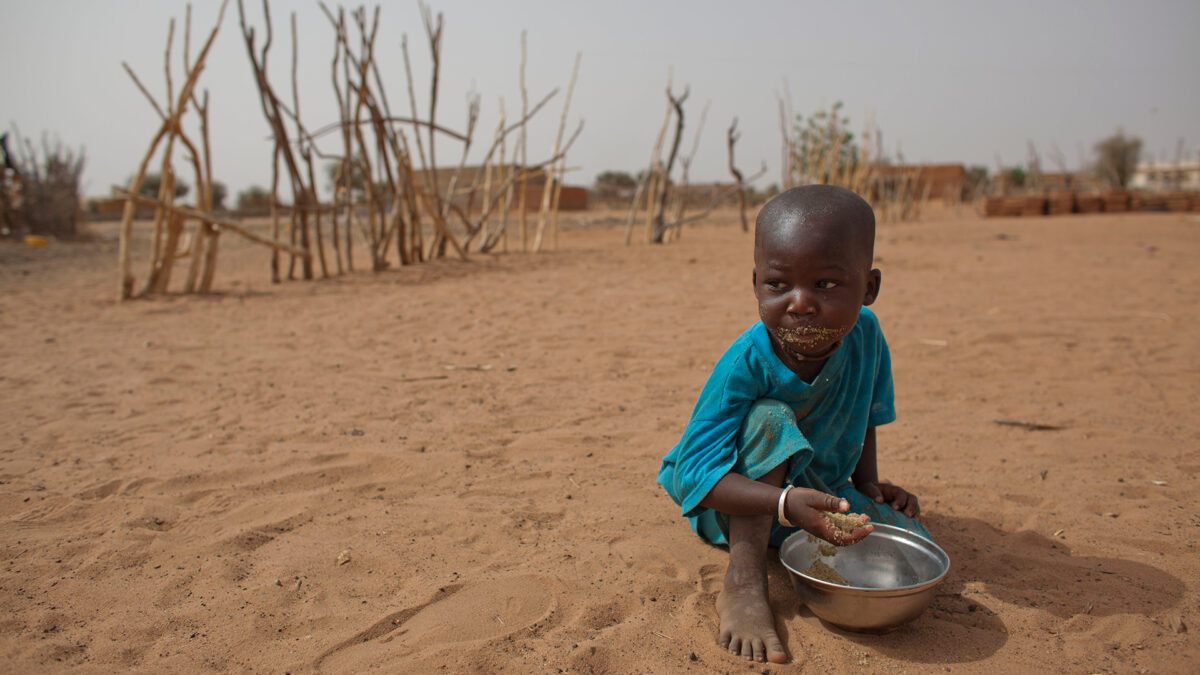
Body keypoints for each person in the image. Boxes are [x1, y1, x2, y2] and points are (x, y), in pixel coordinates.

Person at [657, 185, 928, 664]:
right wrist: (782, 501)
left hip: (814, 496)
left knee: (912, 539)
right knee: (769, 418)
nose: (800, 304)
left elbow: (865, 412)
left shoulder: (867, 336)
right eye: (779, 285)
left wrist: (868, 484)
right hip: (731, 501)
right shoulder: (746, 362)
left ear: (868, 289)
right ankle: (744, 581)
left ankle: (801, 525)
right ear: (756, 281)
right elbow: (691, 476)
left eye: (825, 285)